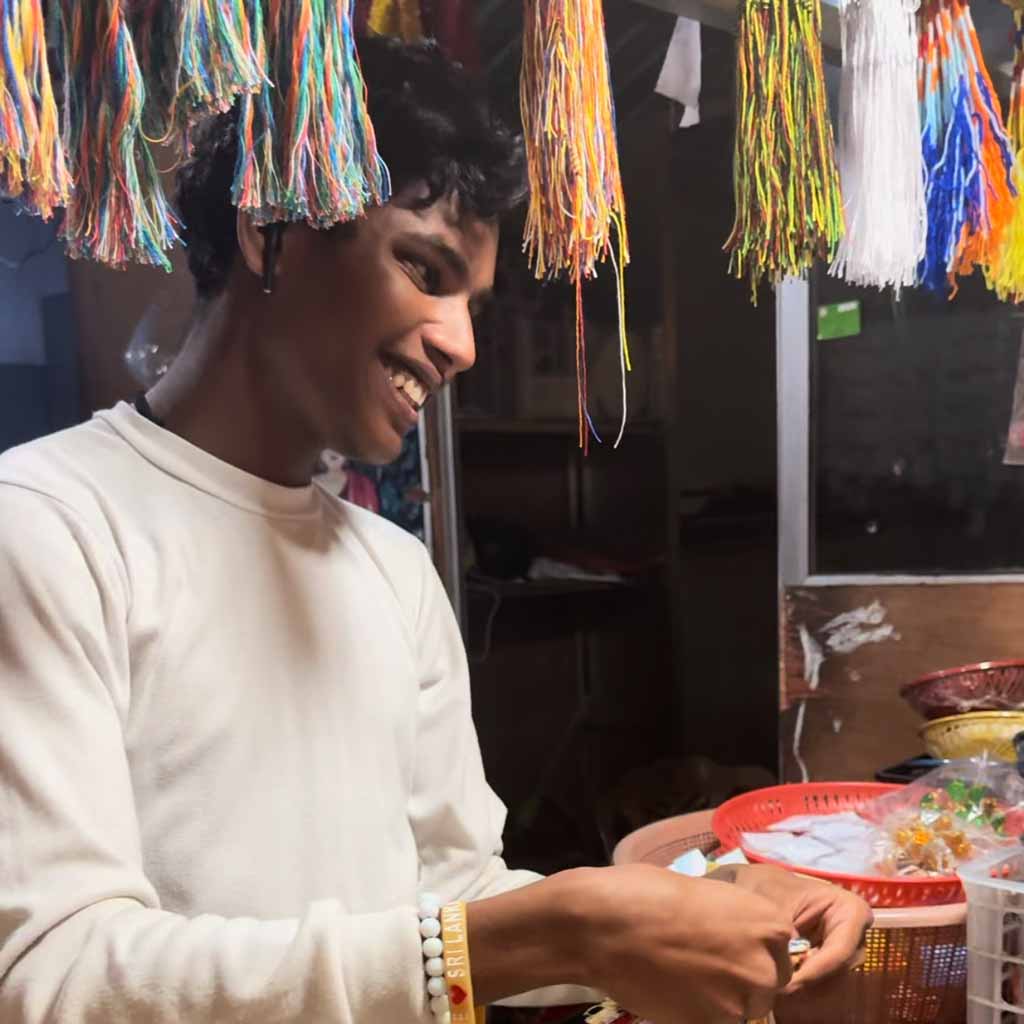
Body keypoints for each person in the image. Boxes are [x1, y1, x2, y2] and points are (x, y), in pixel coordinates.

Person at [0, 34, 871, 1024]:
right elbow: (50, 975)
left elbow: (455, 905)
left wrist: (698, 905)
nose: (458, 342)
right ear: (271, 226)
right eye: (424, 268)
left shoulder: (392, 568)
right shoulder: (49, 529)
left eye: (472, 302)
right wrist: (547, 930)